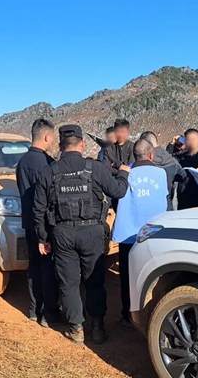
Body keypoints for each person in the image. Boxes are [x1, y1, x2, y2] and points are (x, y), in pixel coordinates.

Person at [33, 124, 130, 345]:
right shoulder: (95, 168)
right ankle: (97, 328)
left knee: (68, 284)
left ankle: (76, 329)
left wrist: (42, 238)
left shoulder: (49, 171)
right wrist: (124, 173)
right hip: (92, 233)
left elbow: (38, 209)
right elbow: (118, 191)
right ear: (83, 144)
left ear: (60, 146)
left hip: (62, 234)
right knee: (94, 281)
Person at [112, 139, 168, 330]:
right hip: (154, 233)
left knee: (127, 277)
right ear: (151, 155)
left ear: (133, 156)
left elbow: (116, 197)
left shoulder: (125, 173)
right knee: (155, 275)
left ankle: (128, 316)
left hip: (128, 234)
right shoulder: (161, 173)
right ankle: (154, 315)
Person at [15, 118, 61, 327]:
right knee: (48, 268)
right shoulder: (47, 164)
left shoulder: (22, 162)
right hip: (45, 223)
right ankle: (49, 313)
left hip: (28, 222)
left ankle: (34, 310)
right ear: (47, 136)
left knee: (33, 267)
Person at [139, 131, 186, 211]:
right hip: (167, 204)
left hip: (147, 204)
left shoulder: (143, 161)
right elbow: (183, 176)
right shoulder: (172, 160)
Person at [176, 128, 198, 209]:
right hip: (184, 198)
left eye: (194, 139)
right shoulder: (181, 157)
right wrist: (172, 145)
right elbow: (169, 159)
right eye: (188, 140)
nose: (191, 142)